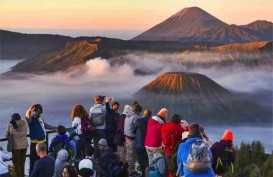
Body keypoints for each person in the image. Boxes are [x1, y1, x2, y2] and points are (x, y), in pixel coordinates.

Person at [25, 104, 57, 175]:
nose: (39, 112)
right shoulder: (31, 119)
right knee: (33, 162)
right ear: (34, 111)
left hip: (43, 142)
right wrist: (29, 110)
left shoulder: (40, 119)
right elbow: (26, 117)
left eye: (40, 111)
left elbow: (46, 126)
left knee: (43, 161)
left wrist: (55, 128)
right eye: (37, 110)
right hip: (35, 144)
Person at [5, 113, 28, 177]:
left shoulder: (11, 124)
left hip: (16, 148)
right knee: (22, 163)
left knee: (16, 164)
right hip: (24, 146)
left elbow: (7, 135)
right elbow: (26, 131)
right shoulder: (23, 123)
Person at [124, 102, 142, 176]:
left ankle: (126, 168)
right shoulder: (135, 117)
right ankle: (131, 171)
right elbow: (137, 128)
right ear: (137, 111)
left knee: (128, 154)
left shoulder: (127, 115)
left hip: (127, 137)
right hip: (132, 138)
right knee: (132, 155)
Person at [133, 109, 152, 177]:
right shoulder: (152, 122)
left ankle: (143, 174)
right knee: (148, 160)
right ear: (150, 115)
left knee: (140, 160)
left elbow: (133, 130)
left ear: (144, 114)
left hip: (139, 143)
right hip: (149, 144)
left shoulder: (138, 121)